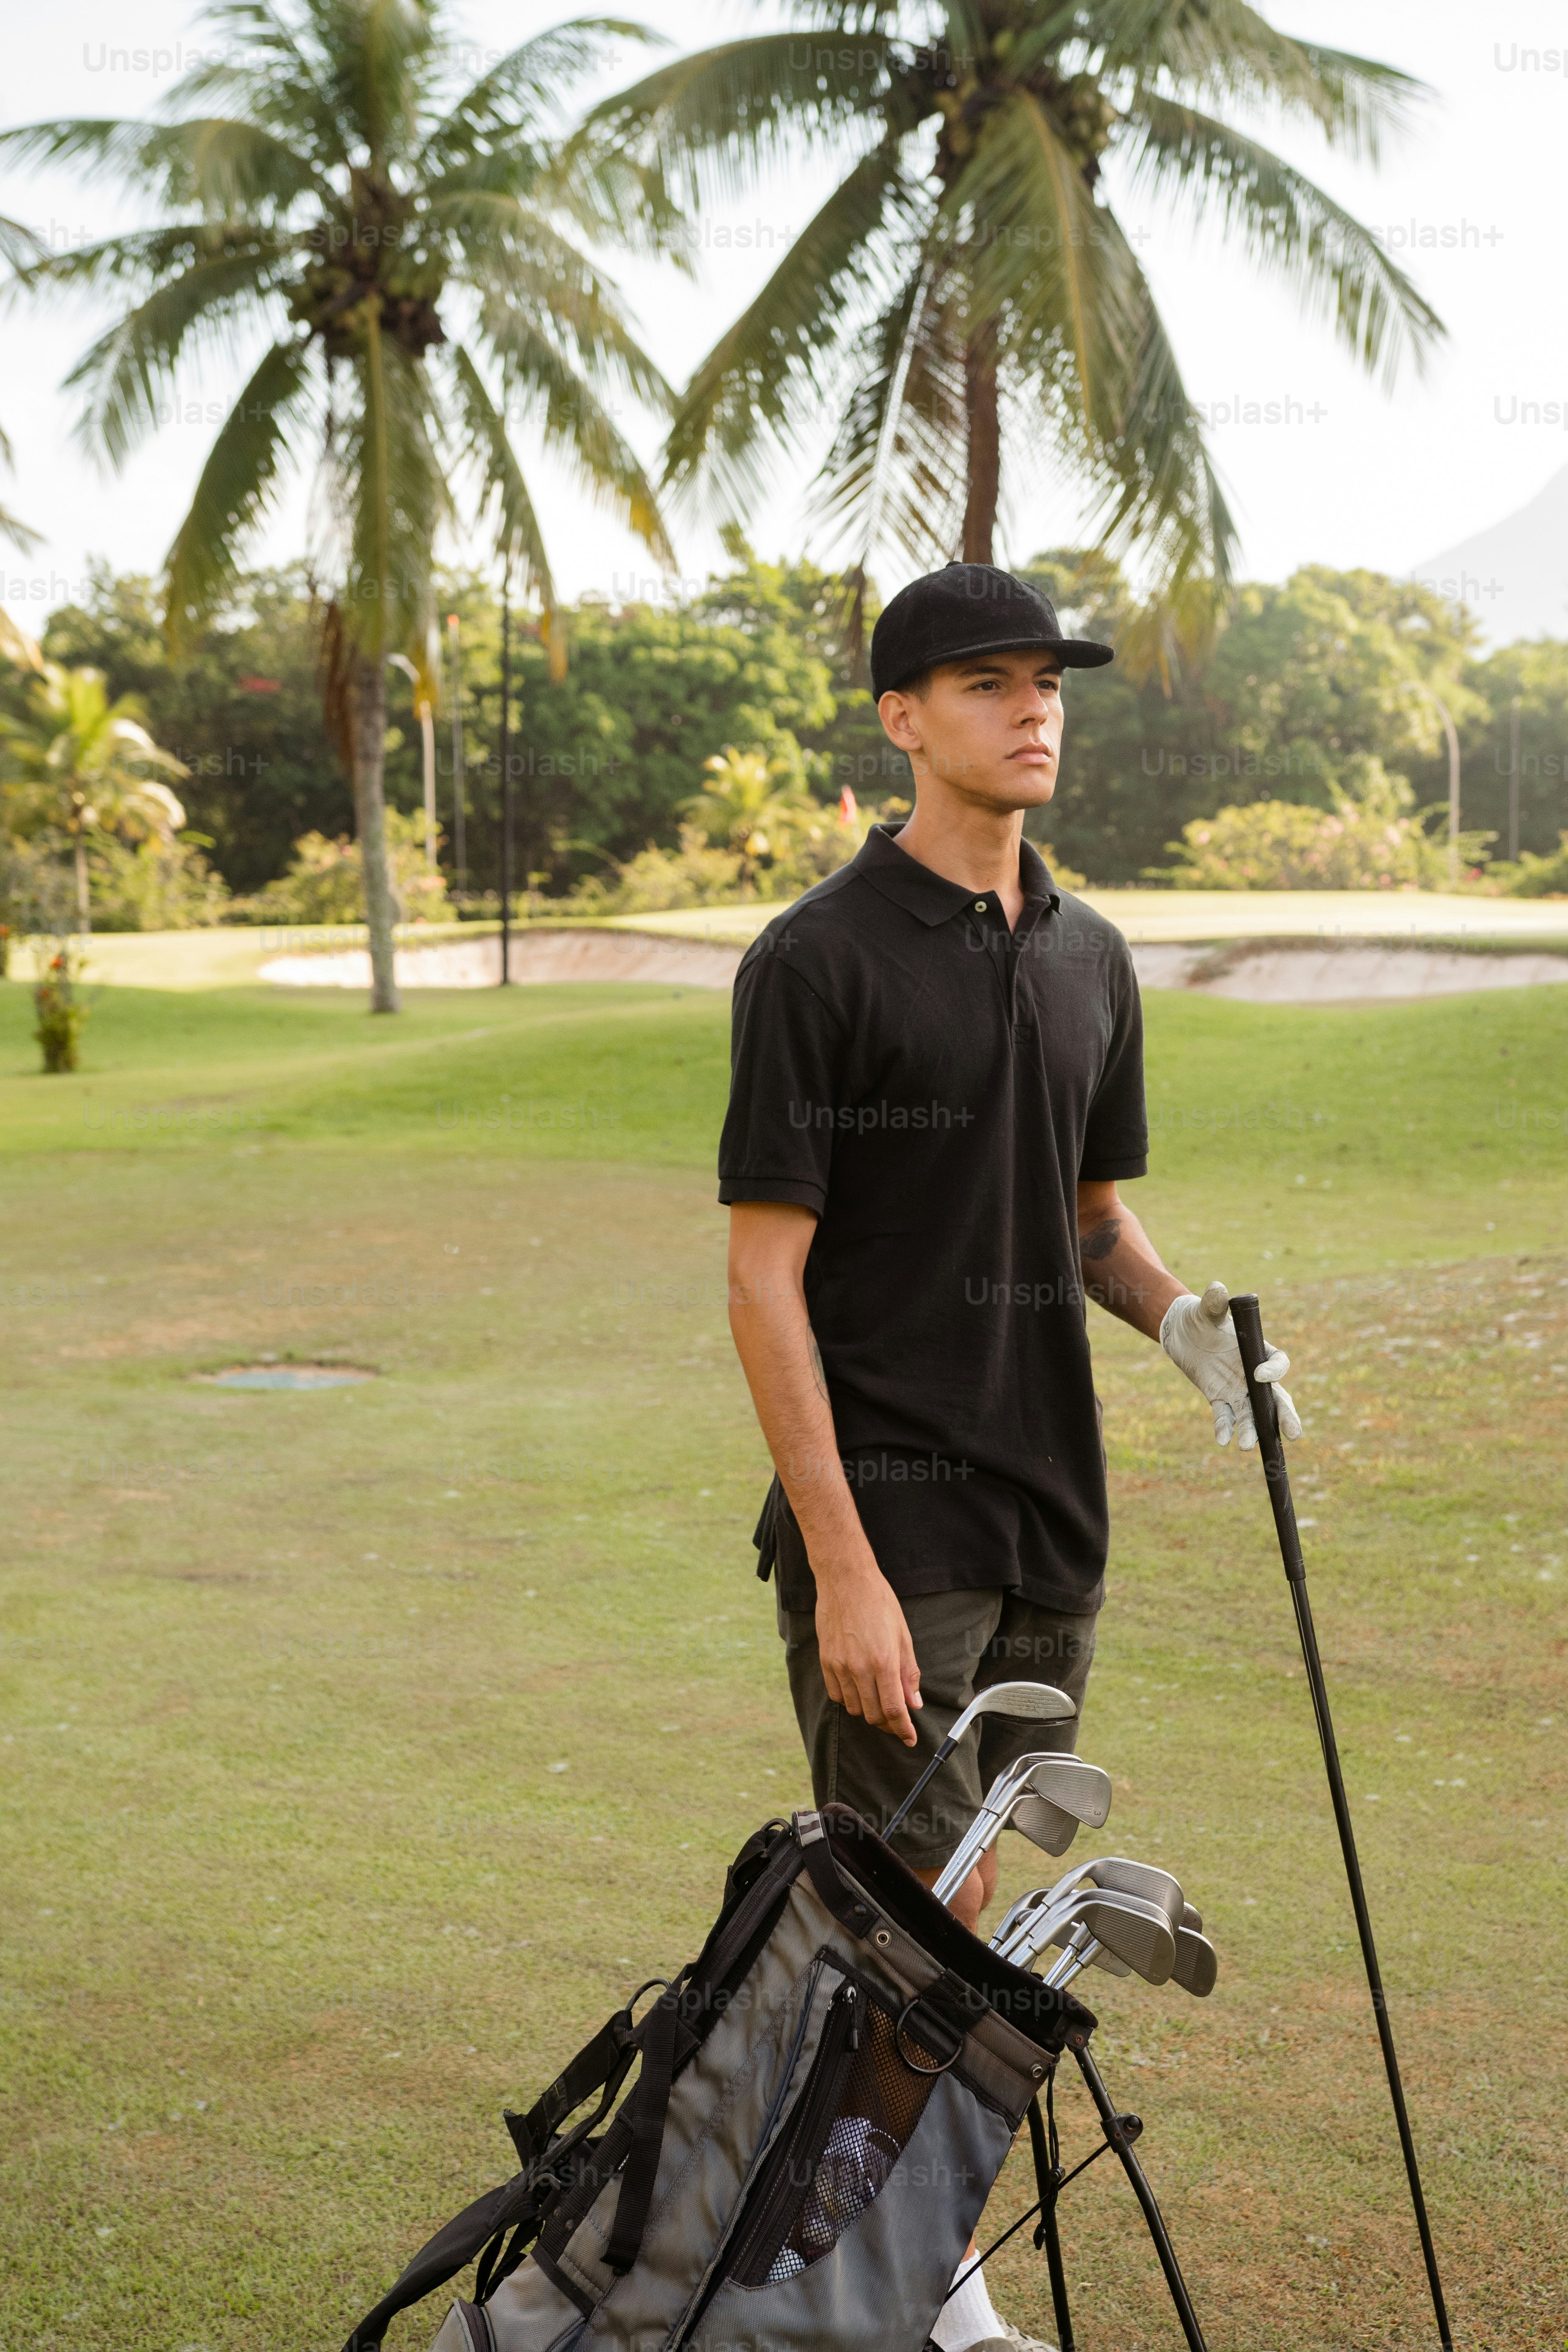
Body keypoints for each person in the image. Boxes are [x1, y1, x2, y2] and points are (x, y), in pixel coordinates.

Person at [719, 561, 1298, 2352]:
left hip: (1056, 1519)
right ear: (901, 720)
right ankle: (857, 2291)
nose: (1030, 708)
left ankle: (914, 2272)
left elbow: (1088, 1222)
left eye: (1044, 681)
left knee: (971, 1923)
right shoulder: (815, 958)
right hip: (900, 1521)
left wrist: (1192, 1327)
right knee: (886, 1923)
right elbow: (763, 1273)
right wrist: (841, 1567)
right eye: (983, 684)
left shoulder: (1087, 954)